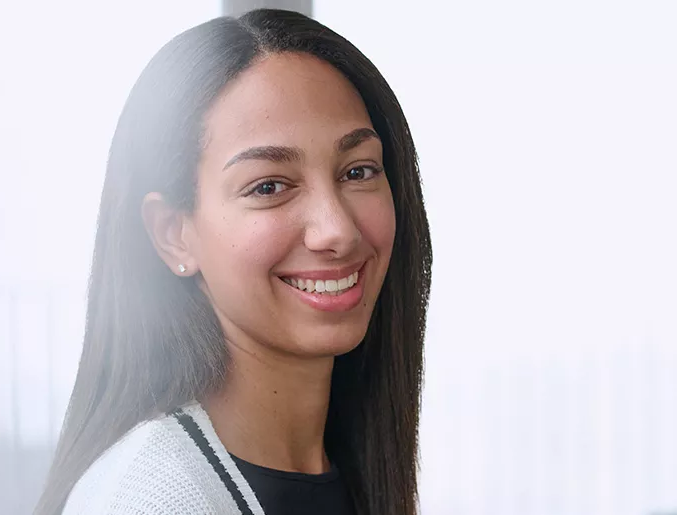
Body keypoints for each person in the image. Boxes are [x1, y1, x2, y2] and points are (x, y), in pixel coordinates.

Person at [34, 8, 432, 515]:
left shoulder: (356, 472)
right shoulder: (149, 498)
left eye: (357, 171)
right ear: (174, 235)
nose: (338, 229)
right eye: (269, 186)